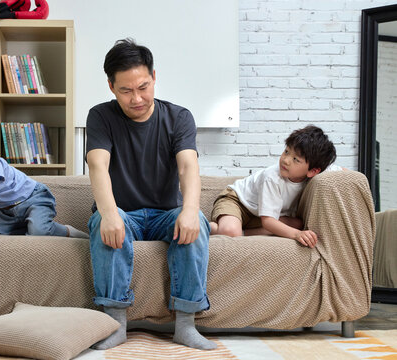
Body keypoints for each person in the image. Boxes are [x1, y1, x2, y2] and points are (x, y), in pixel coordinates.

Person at [85, 38, 216, 350]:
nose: (137, 98)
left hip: (164, 213)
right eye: (126, 91)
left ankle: (185, 325)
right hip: (124, 213)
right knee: (101, 224)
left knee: (194, 220)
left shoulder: (179, 117)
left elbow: (188, 167)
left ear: (154, 77)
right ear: (111, 86)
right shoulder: (100, 116)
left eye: (143, 87)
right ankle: (115, 325)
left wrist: (189, 209)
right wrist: (109, 213)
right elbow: (97, 165)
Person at [210, 125, 342, 247]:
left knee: (298, 223)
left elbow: (344, 173)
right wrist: (296, 234)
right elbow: (268, 222)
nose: (286, 160)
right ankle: (213, 228)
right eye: (286, 152)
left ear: (313, 171)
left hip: (259, 214)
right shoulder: (272, 177)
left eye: (296, 159)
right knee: (231, 232)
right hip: (237, 201)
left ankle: (243, 232)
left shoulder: (320, 172)